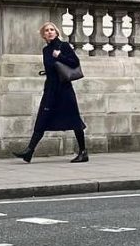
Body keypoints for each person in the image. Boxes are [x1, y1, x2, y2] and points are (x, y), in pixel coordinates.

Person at [18, 23, 89, 163]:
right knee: (42, 118)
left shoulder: (63, 46)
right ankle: (29, 151)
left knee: (74, 119)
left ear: (56, 32)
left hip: (64, 89)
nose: (49, 32)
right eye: (46, 30)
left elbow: (75, 62)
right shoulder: (45, 50)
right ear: (43, 35)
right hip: (50, 89)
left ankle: (83, 152)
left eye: (52, 30)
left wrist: (60, 56)